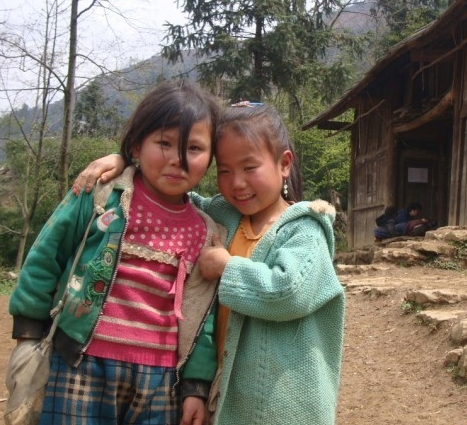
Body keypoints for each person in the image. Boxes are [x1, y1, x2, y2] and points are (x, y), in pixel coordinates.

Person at [73, 103, 346, 425]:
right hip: (228, 394)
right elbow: (171, 195)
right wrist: (127, 164)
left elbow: (289, 293)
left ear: (284, 164)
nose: (237, 183)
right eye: (225, 171)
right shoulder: (222, 215)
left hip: (283, 404)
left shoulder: (305, 229)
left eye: (249, 167)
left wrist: (226, 267)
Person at [8, 79, 225, 425]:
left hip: (160, 383)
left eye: (194, 148)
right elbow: (48, 254)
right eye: (164, 143)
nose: (178, 160)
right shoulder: (101, 195)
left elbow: (203, 317)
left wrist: (195, 387)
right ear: (136, 145)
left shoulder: (206, 231)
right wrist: (28, 330)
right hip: (80, 364)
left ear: (211, 158)